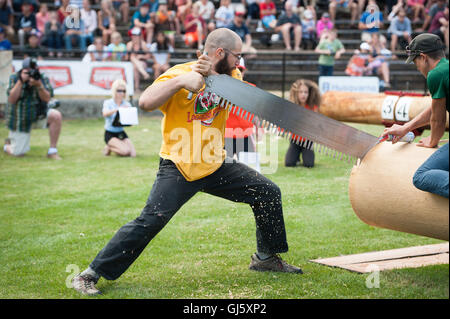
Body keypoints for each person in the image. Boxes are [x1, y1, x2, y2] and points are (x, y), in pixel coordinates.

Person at [71, 28, 303, 296]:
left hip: (215, 163)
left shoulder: (232, 75)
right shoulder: (177, 73)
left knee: (267, 193)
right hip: (179, 164)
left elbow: (237, 93)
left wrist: (209, 75)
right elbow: (145, 101)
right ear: (220, 52)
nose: (239, 62)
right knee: (151, 220)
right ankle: (90, 274)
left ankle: (265, 258)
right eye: (236, 56)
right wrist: (182, 81)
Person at [382, 33, 448, 198]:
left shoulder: (436, 74)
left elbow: (438, 120)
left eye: (415, 61)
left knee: (421, 176)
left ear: (424, 57)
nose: (417, 67)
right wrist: (406, 128)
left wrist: (432, 141)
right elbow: (435, 108)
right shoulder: (445, 70)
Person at [4, 57, 62, 160]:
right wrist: (21, 82)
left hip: (38, 115)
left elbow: (47, 98)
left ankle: (52, 151)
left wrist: (39, 85)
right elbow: (11, 99)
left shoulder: (41, 78)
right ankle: (8, 145)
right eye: (28, 71)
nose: (31, 73)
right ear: (22, 70)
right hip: (20, 120)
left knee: (56, 115)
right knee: (18, 153)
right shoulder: (15, 77)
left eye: (33, 70)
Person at [225, 57, 256, 158]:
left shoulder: (251, 88)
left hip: (245, 135)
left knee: (249, 168)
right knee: (222, 170)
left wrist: (259, 128)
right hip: (226, 135)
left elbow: (255, 111)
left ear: (244, 71)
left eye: (240, 70)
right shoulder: (222, 88)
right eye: (234, 70)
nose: (237, 73)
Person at [285, 79, 321, 168]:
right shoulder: (292, 106)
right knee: (289, 163)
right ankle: (296, 156)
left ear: (309, 94)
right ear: (296, 93)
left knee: (309, 165)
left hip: (307, 141)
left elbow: (316, 125)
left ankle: (306, 155)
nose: (303, 95)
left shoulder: (313, 107)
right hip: (295, 140)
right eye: (300, 92)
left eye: (305, 92)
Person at [101, 79, 137, 157]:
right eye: (119, 91)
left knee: (133, 154)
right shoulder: (108, 103)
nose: (122, 93)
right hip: (110, 132)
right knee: (125, 152)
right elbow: (104, 114)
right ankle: (109, 147)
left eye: (124, 91)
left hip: (120, 132)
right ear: (114, 91)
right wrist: (117, 110)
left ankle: (112, 146)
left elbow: (129, 121)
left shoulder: (126, 104)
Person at [126, 27, 151, 93]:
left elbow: (149, 56)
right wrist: (133, 56)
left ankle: (136, 87)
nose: (135, 37)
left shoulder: (143, 44)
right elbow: (127, 57)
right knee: (132, 58)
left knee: (135, 66)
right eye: (133, 35)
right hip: (131, 64)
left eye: (136, 35)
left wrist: (141, 56)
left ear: (140, 36)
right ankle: (144, 73)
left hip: (142, 63)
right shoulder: (129, 44)